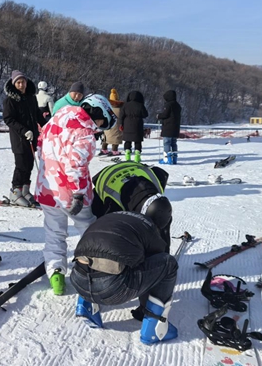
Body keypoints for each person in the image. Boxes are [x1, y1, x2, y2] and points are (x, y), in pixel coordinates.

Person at [34, 94, 117, 295]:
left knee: (54, 232)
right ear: (96, 112)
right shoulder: (84, 133)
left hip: (47, 189)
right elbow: (76, 166)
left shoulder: (57, 117)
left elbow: (39, 146)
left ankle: (56, 275)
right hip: (71, 193)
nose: (99, 127)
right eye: (101, 122)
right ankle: (95, 267)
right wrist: (79, 194)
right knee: (88, 229)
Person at [69, 211, 178, 344]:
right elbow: (156, 266)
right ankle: (154, 328)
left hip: (77, 281)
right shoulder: (149, 227)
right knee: (168, 263)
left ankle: (85, 306)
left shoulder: (112, 216)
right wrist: (144, 307)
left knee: (93, 254)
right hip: (112, 288)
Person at [91, 161, 172, 251]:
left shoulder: (157, 180)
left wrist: (163, 252)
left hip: (134, 168)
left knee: (159, 219)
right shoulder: (113, 203)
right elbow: (109, 234)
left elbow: (161, 216)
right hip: (106, 177)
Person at [3, 70, 46, 206]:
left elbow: (37, 114)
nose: (21, 85)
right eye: (19, 82)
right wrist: (24, 130)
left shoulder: (31, 98)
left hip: (32, 137)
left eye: (23, 82)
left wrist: (47, 125)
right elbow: (8, 119)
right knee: (21, 165)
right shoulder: (10, 100)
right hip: (19, 138)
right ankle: (15, 192)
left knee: (29, 164)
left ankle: (25, 190)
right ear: (14, 84)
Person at [119, 91, 148, 163]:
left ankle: (127, 156)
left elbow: (121, 116)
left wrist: (121, 124)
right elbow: (145, 114)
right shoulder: (140, 105)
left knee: (127, 141)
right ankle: (137, 157)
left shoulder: (125, 105)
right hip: (137, 126)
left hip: (127, 125)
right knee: (137, 141)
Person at [157, 90, 182, 165]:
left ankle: (167, 159)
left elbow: (165, 114)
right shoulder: (178, 105)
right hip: (175, 127)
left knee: (167, 143)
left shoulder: (168, 105)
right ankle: (174, 158)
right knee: (174, 143)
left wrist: (159, 116)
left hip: (168, 127)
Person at [99, 88, 124, 156]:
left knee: (106, 137)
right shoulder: (121, 108)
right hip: (117, 126)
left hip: (108, 125)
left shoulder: (106, 107)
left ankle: (104, 149)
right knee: (116, 138)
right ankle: (114, 150)